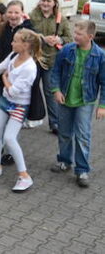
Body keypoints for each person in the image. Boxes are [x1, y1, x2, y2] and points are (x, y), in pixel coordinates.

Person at [0, 29, 40, 192]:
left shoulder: (30, 68)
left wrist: (5, 78)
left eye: (15, 41)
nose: (12, 43)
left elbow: (14, 91)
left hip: (19, 105)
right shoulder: (13, 56)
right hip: (5, 102)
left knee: (9, 138)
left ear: (25, 45)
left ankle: (24, 176)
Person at [50, 20, 105, 188]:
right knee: (65, 132)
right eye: (75, 33)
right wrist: (56, 90)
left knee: (83, 135)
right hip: (66, 98)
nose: (75, 36)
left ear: (90, 36)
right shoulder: (67, 50)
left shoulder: (100, 56)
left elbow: (104, 82)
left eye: (79, 34)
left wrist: (102, 106)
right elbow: (56, 71)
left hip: (85, 101)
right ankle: (65, 161)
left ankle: (82, 169)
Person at [30, 0, 72, 134]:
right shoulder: (32, 16)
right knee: (29, 88)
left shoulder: (60, 18)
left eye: (49, 1)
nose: (45, 3)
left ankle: (54, 123)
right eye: (43, 0)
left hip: (52, 60)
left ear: (54, 3)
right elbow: (26, 34)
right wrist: (42, 38)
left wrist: (59, 40)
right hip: (34, 59)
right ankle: (24, 117)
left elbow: (69, 39)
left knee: (50, 91)